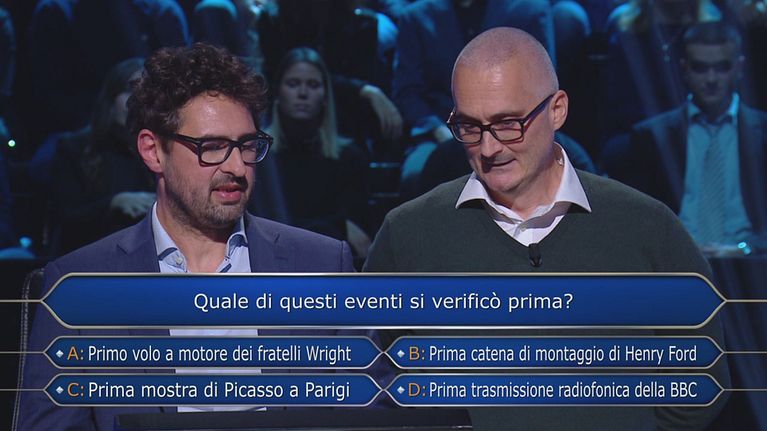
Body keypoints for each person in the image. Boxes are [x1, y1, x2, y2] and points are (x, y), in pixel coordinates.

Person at [364, 27, 728, 430]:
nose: (488, 148)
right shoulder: (408, 233)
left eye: (508, 124)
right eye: (469, 127)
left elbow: (700, 383)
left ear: (557, 110)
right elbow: (379, 382)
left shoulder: (647, 227)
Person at [17, 43, 354, 430]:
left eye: (247, 146)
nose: (236, 167)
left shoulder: (324, 267)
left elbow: (371, 416)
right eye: (212, 147)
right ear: (153, 151)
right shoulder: (77, 284)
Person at [607, 22, 767, 255]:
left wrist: (745, 249)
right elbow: (636, 218)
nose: (711, 78)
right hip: (674, 262)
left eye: (722, 67)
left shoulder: (762, 132)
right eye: (700, 68)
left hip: (752, 263)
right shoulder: (652, 136)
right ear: (684, 68)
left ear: (739, 67)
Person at [254, 47, 371, 258]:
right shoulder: (259, 156)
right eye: (293, 84)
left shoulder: (350, 159)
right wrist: (337, 226)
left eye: (313, 85)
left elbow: (359, 235)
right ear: (278, 93)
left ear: (325, 96)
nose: (302, 93)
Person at [49, 58, 156, 256]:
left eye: (145, 94)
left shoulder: (159, 148)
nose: (136, 101)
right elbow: (64, 217)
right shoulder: (75, 147)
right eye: (130, 91)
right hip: (89, 256)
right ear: (112, 97)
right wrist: (114, 203)